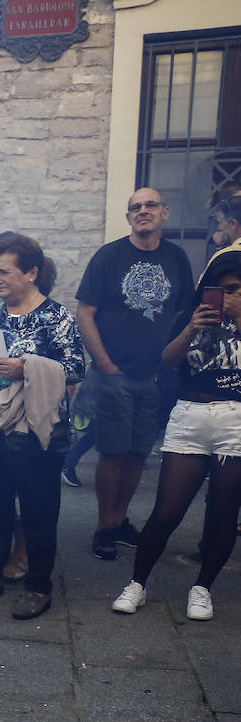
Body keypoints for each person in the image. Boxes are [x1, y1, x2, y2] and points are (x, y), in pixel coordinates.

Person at [111, 210, 241, 621]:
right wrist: (192, 328)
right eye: (224, 288)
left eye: (238, 288)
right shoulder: (192, 315)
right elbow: (167, 361)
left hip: (236, 418)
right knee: (167, 510)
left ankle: (202, 588)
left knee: (223, 510)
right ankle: (137, 583)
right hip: (191, 413)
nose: (231, 294)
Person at [0, 234, 85, 620]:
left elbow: (77, 367)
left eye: (5, 272)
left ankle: (38, 586)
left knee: (39, 508)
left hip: (34, 429)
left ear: (31, 273)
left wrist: (28, 366)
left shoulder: (56, 317)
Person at [75, 188, 195, 561]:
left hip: (154, 377)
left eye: (150, 205)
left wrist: (163, 355)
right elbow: (85, 313)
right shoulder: (109, 257)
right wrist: (106, 364)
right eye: (135, 207)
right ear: (129, 217)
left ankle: (120, 519)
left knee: (138, 454)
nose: (143, 211)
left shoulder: (176, 258)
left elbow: (180, 312)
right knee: (112, 453)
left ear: (164, 213)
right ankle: (104, 527)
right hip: (115, 373)